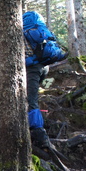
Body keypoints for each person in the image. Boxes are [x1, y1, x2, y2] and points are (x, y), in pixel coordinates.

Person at [23, 11, 54, 150]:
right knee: (34, 94)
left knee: (31, 100)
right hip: (45, 67)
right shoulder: (39, 29)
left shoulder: (21, 33)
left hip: (33, 69)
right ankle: (38, 118)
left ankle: (39, 133)